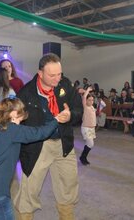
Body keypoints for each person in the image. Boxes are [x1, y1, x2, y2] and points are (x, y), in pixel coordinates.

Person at [0, 98, 68, 220]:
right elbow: (39, 133)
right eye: (19, 118)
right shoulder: (11, 129)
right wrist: (56, 120)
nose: (20, 122)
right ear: (13, 114)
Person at [14, 53, 83, 220]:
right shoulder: (26, 93)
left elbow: (78, 109)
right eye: (52, 75)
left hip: (63, 144)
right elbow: (16, 123)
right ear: (40, 73)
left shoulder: (65, 84)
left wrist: (70, 115)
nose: (57, 78)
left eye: (59, 73)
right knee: (29, 189)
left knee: (68, 186)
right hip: (37, 146)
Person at [80, 87, 96, 165]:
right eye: (89, 100)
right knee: (90, 144)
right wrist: (87, 91)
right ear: (86, 101)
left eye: (92, 100)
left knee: (88, 144)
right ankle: (83, 157)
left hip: (92, 129)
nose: (91, 101)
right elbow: (84, 97)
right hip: (86, 128)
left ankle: (83, 157)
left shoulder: (92, 107)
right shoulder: (85, 107)